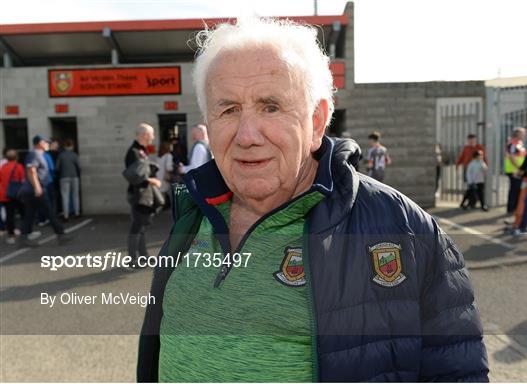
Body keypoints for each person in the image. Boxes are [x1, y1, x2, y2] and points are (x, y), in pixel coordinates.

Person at [137, 18, 488, 382]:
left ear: (317, 121)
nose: (247, 135)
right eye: (228, 110)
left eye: (270, 106)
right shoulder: (193, 214)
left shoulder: (406, 230)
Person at [19, 135, 70, 246]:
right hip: (35, 190)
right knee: (49, 211)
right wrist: (37, 187)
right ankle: (61, 235)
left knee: (29, 214)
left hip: (34, 190)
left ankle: (23, 239)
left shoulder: (40, 155)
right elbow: (31, 171)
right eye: (45, 142)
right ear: (38, 143)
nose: (48, 144)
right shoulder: (34, 154)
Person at [124, 123, 161, 267]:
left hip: (144, 194)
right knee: (137, 226)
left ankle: (143, 256)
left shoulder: (141, 150)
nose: (153, 137)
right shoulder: (133, 152)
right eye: (151, 134)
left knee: (142, 226)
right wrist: (151, 180)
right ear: (144, 135)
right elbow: (134, 176)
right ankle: (132, 259)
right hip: (138, 195)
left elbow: (142, 170)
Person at [0, 149, 25, 244]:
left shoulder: (3, 167)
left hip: (5, 194)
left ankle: (11, 235)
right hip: (18, 194)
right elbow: (22, 180)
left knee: (9, 215)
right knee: (24, 213)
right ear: (16, 157)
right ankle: (26, 232)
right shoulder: (18, 166)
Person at [56, 139, 81, 221]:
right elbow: (79, 166)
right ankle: (77, 213)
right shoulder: (74, 155)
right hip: (74, 176)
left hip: (64, 177)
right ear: (72, 146)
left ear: (64, 146)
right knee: (75, 195)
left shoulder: (61, 155)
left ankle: (66, 216)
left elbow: (57, 167)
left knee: (65, 196)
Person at [504, 127, 527, 215]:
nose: (524, 135)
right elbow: (511, 157)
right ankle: (511, 209)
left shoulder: (519, 143)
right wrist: (519, 168)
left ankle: (516, 208)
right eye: (523, 133)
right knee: (514, 190)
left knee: (518, 190)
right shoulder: (512, 144)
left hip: (518, 170)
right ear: (517, 134)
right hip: (514, 170)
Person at [157, 141, 174, 209]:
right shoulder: (169, 155)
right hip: (165, 178)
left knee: (161, 193)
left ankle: (160, 208)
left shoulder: (159, 156)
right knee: (170, 193)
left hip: (158, 177)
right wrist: (174, 167)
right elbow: (168, 167)